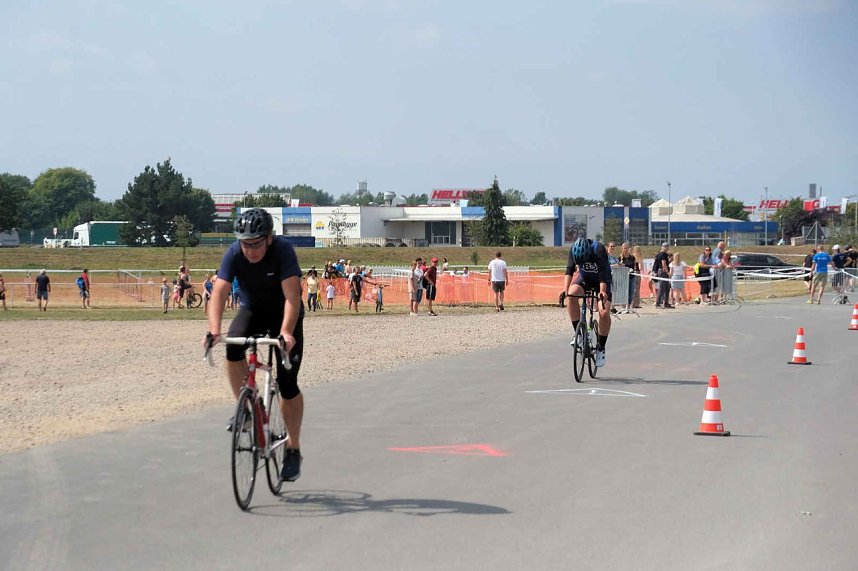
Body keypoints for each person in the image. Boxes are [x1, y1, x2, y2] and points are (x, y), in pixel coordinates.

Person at [206, 208, 305, 482]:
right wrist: (214, 330)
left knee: (287, 384)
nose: (250, 251)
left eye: (256, 244)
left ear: (269, 238)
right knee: (232, 346)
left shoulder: (283, 251)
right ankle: (247, 409)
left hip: (285, 314)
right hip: (252, 311)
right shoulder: (234, 253)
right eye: (245, 244)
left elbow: (292, 296)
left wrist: (286, 332)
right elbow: (220, 291)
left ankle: (293, 448)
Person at [564, 237, 613, 367]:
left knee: (603, 312)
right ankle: (579, 335)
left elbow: (603, 274)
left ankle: (601, 347)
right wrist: (565, 290)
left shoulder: (598, 249)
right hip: (585, 278)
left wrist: (602, 292)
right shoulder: (573, 249)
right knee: (571, 295)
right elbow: (569, 270)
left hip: (601, 280)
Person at [653, 243, 673, 309]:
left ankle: (666, 303)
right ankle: (657, 303)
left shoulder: (659, 254)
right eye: (665, 247)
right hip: (663, 272)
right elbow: (664, 264)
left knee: (667, 287)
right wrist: (668, 273)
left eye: (667, 246)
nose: (666, 248)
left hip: (661, 271)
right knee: (662, 288)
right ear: (662, 247)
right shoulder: (663, 254)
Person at [619, 243, 637, 310]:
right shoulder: (620, 257)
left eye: (627, 248)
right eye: (624, 248)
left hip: (631, 277)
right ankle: (623, 306)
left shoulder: (632, 257)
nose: (626, 249)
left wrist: (634, 270)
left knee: (631, 292)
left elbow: (634, 266)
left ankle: (628, 307)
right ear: (622, 249)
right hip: (623, 277)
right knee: (624, 292)